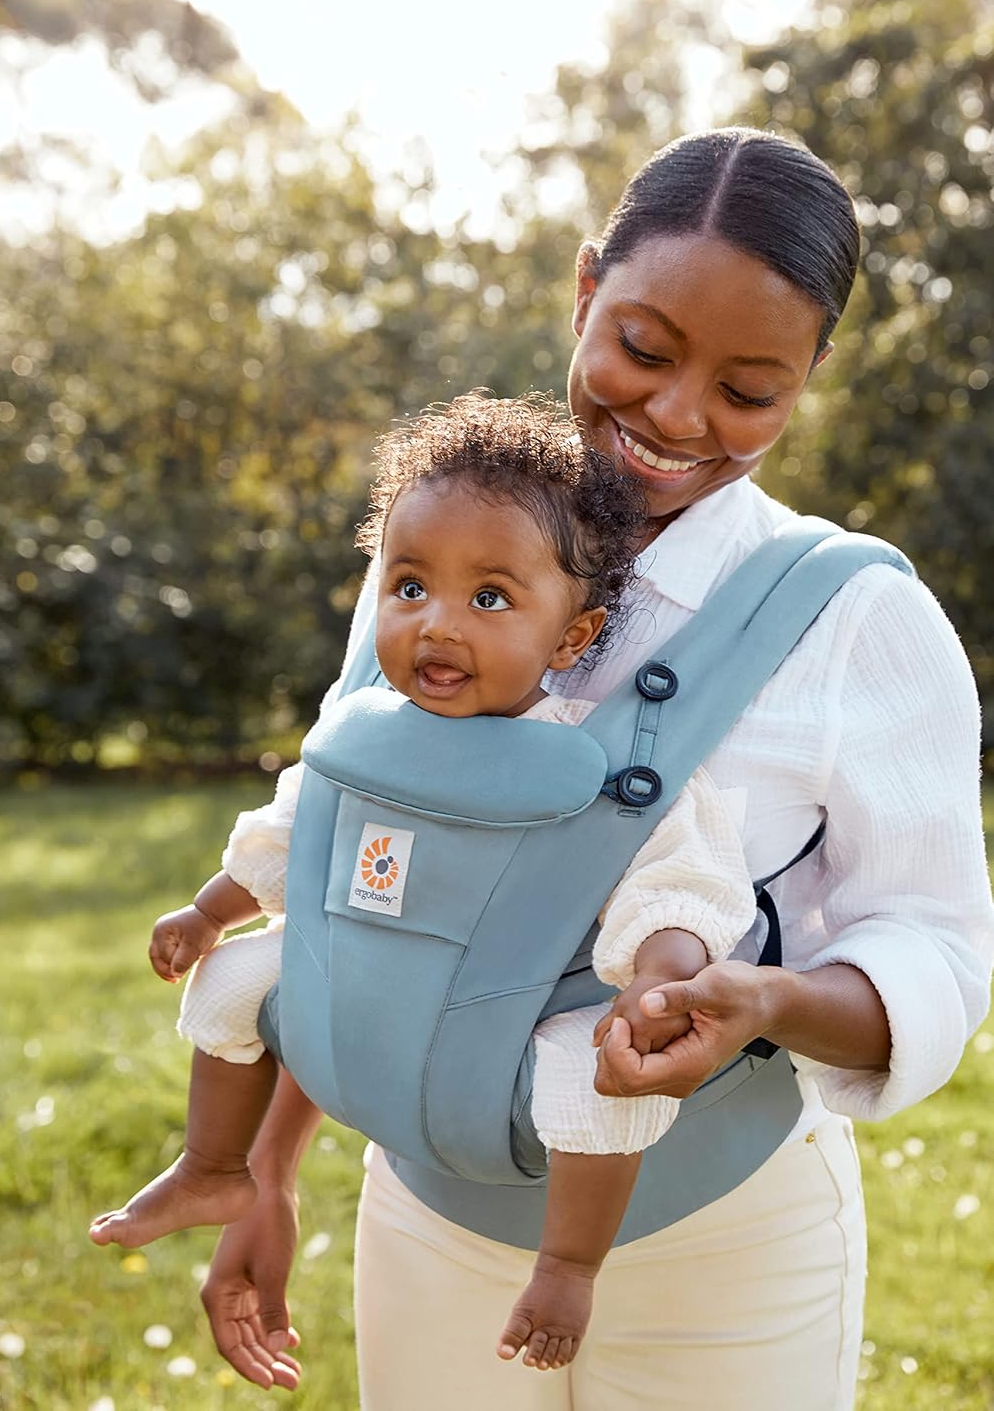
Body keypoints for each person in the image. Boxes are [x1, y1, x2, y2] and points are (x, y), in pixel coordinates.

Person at [199, 128, 993, 1411]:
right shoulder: (439, 555)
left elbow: (940, 948)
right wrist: (268, 1167)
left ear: (810, 377)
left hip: (722, 1251)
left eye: (750, 389)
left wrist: (765, 1002)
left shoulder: (854, 618)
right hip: (431, 1220)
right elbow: (363, 874)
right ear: (583, 294)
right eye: (641, 347)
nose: (677, 419)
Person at [88, 398, 761, 1370]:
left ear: (571, 639)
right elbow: (294, 837)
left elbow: (681, 872)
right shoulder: (366, 736)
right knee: (232, 984)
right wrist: (209, 911)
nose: (438, 625)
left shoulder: (596, 757)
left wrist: (660, 969)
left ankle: (568, 1264)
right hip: (376, 972)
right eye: (409, 587)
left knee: (596, 1075)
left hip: (522, 1003)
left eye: (490, 599)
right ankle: (213, 1165)